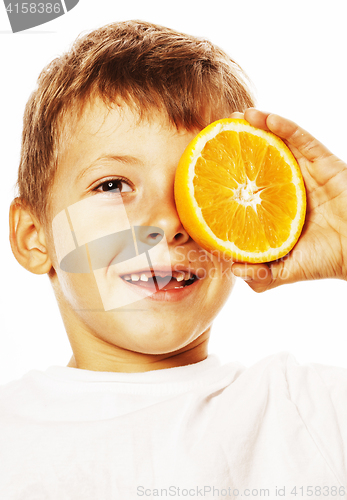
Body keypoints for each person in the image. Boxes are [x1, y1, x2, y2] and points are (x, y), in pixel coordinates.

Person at [2, 19, 347, 499]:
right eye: (113, 185)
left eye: (198, 189)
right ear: (34, 237)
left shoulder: (310, 413)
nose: (167, 222)